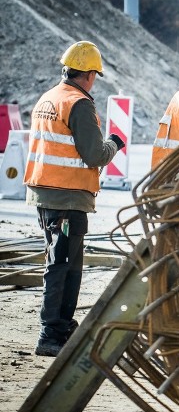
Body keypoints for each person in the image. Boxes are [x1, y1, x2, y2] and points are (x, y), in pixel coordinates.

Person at [23, 41, 124, 357]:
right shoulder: (79, 103)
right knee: (62, 264)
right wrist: (115, 144)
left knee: (68, 263)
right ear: (90, 74)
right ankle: (50, 333)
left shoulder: (49, 98)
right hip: (66, 199)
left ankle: (63, 326)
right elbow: (94, 154)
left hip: (47, 194)